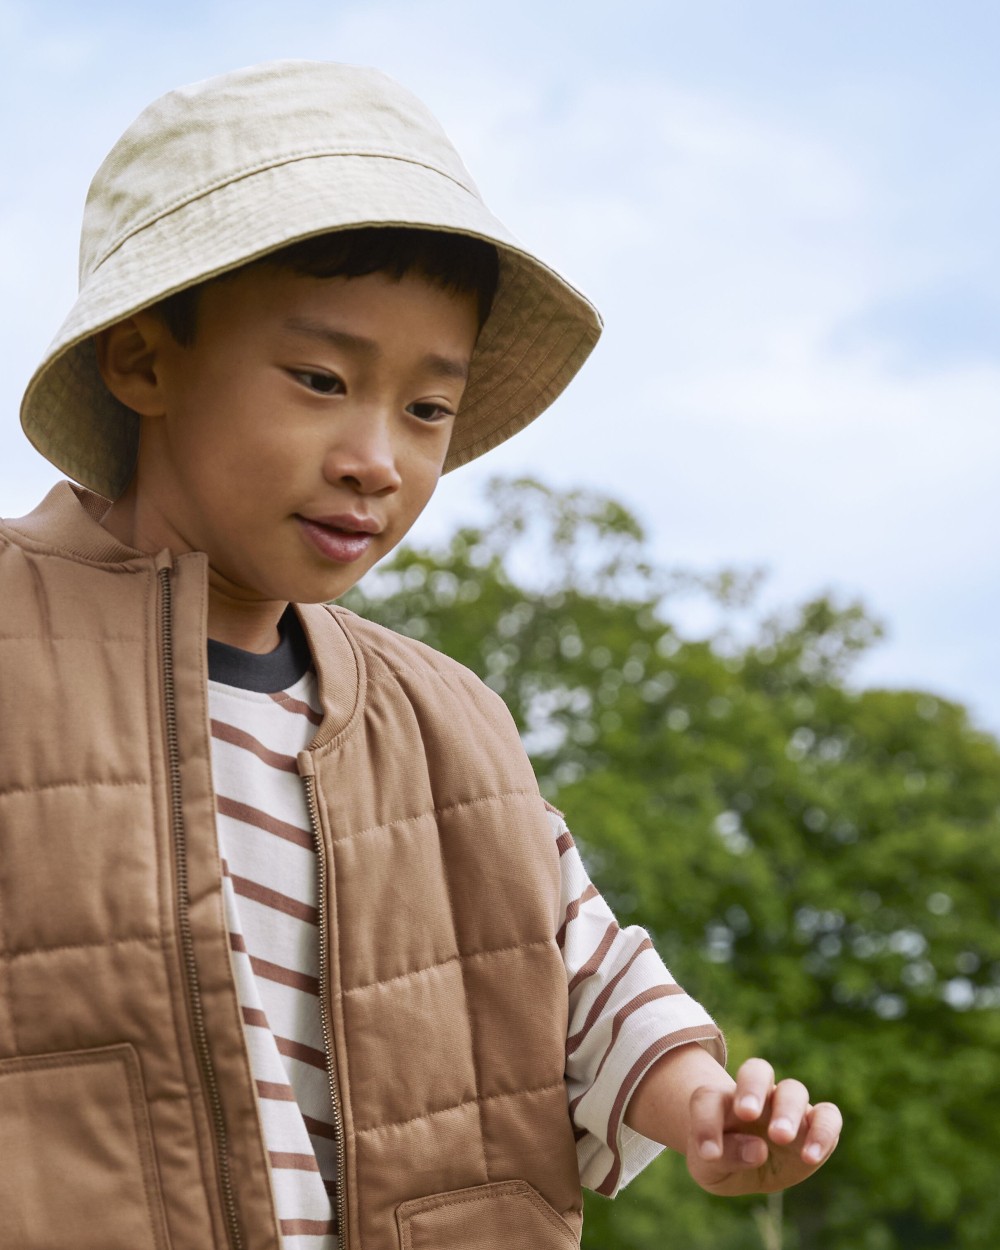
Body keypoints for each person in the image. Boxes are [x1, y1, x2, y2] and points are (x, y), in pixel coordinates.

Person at [1, 61, 841, 1250]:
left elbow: (575, 966)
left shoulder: (450, 723)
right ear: (144, 362)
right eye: (321, 380)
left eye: (427, 409)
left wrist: (703, 1103)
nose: (375, 457)